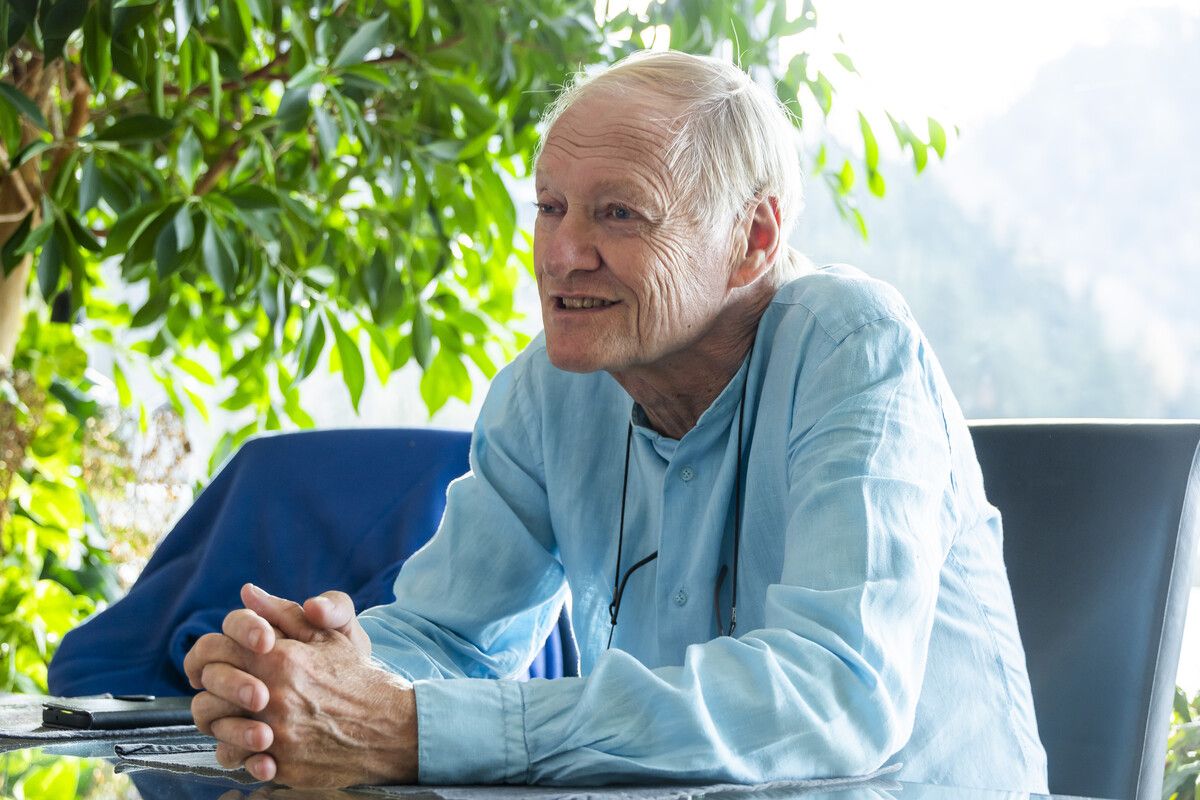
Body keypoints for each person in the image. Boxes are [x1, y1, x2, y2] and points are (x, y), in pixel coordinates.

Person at [183, 51, 1048, 791]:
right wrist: (300, 677)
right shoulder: (552, 388)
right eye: (550, 207)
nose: (561, 254)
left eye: (619, 212)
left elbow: (837, 696)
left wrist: (411, 728)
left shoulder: (851, 343)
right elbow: (449, 636)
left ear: (752, 237)